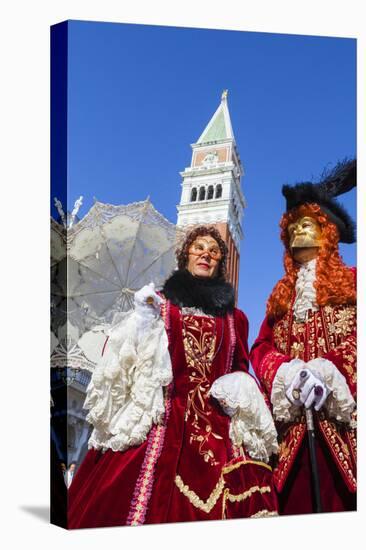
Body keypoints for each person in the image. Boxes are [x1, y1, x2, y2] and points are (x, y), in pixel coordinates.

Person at [68, 226, 279, 528]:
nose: (206, 253)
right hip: (162, 419)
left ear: (220, 262)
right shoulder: (159, 304)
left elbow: (240, 367)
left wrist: (237, 383)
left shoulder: (236, 318)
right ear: (185, 256)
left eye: (214, 250)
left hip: (217, 429)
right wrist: (141, 321)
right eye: (198, 247)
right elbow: (127, 359)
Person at [250, 160, 357, 515]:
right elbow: (261, 347)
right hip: (292, 434)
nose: (298, 233)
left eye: (306, 224)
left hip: (347, 430)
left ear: (327, 232)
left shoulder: (355, 282)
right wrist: (285, 372)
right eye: (292, 228)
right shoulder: (281, 295)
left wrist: (331, 370)